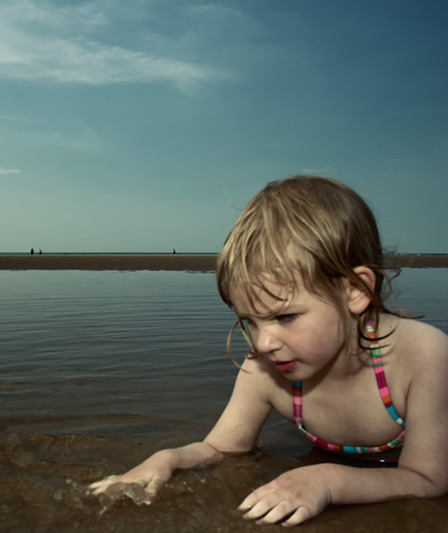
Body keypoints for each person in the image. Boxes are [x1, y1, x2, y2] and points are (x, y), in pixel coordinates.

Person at [89, 176, 448, 526]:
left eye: (286, 316)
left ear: (354, 291)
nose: (263, 344)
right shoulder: (263, 370)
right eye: (251, 321)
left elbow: (427, 478)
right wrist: (167, 459)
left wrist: (328, 481)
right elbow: (219, 447)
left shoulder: (422, 358)